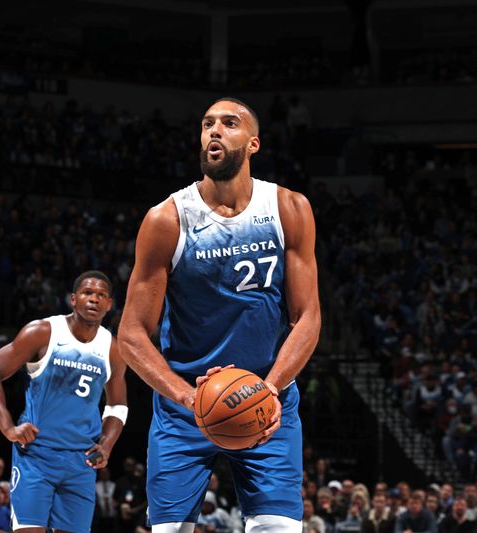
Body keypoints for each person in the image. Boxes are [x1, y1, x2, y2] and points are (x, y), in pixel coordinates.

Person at [119, 97, 320, 533]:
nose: (214, 131)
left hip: (268, 398)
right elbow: (132, 334)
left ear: (252, 143)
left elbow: (308, 318)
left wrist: (269, 390)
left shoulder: (288, 209)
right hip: (185, 404)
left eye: (229, 124)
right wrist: (189, 398)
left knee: (279, 529)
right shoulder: (167, 219)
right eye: (207, 124)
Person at [0, 270, 128, 533]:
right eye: (87, 293)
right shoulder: (42, 332)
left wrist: (107, 444)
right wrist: (7, 428)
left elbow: (117, 405)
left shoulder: (111, 348)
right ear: (73, 299)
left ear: (109, 305)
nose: (94, 299)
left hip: (81, 460)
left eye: (101, 295)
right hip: (37, 454)